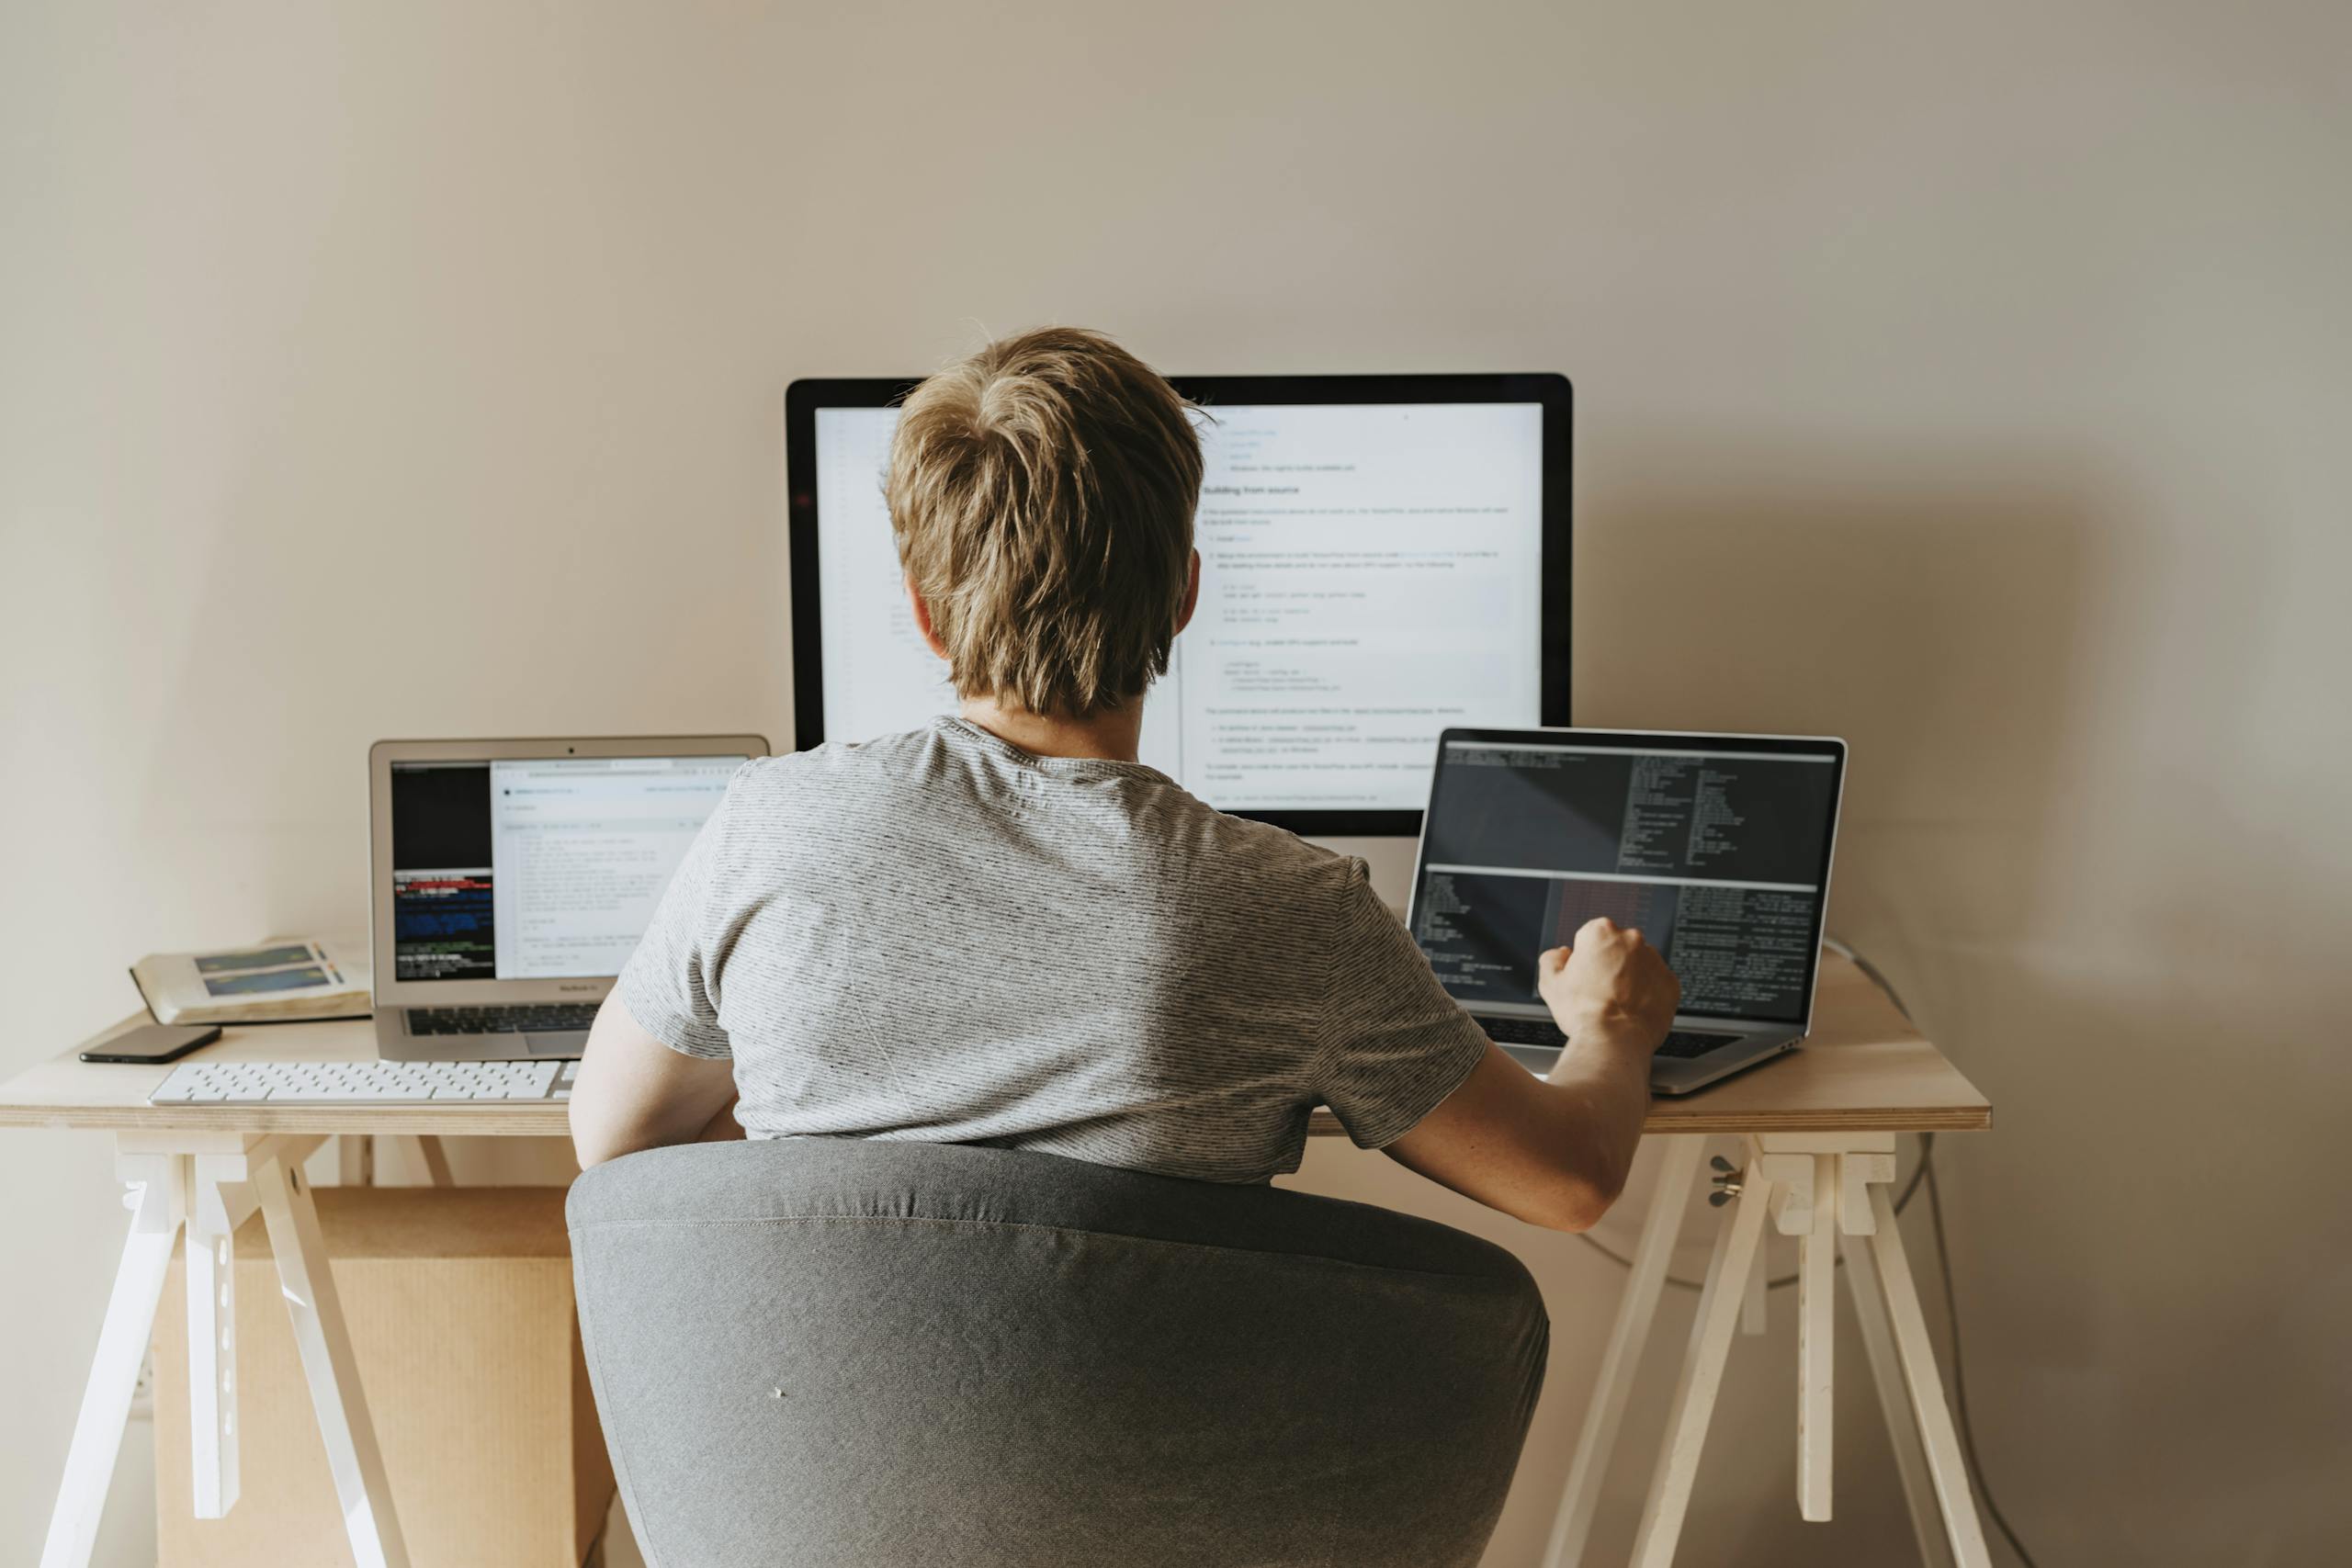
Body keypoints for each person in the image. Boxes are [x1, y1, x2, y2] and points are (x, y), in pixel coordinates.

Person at [568, 327, 1679, 1231]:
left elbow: (617, 1138)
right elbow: (1566, 1183)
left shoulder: (770, 826)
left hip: (809, 1488)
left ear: (919, 606)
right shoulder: (1291, 908)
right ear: (1185, 593)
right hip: (1158, 1492)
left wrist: (853, 1196)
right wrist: (1611, 1028)